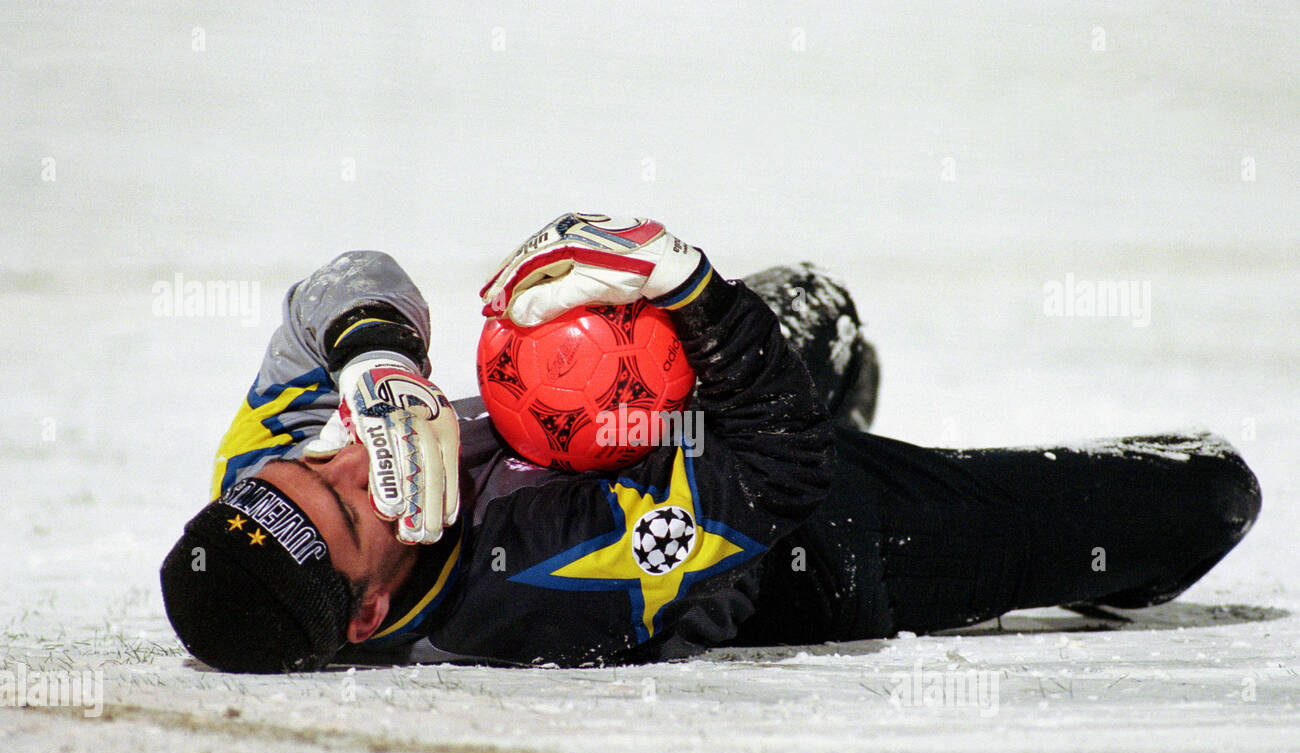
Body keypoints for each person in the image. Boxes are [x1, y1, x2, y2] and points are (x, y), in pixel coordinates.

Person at [160, 214, 1261, 672]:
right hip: (808, 539)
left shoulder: (257, 486)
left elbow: (343, 284)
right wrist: (684, 285)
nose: (356, 459)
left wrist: (371, 352)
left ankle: (811, 364)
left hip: (657, 431)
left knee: (811, 297)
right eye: (355, 510)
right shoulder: (535, 580)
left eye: (314, 463)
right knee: (1208, 494)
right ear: (365, 612)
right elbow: (778, 465)